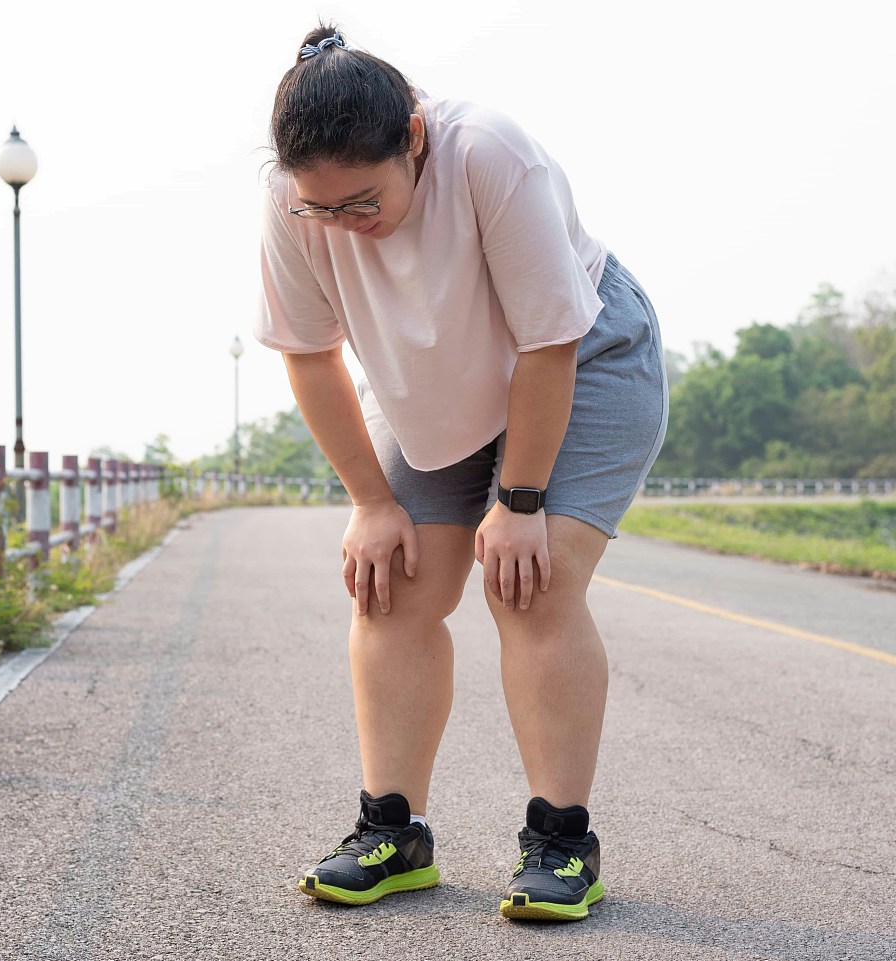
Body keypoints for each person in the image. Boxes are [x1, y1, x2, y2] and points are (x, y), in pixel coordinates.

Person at [255, 25, 668, 922]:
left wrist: (519, 502)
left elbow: (550, 342)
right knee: (389, 586)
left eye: (362, 201)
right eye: (324, 210)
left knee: (532, 583)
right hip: (438, 386)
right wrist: (370, 502)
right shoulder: (295, 203)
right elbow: (310, 355)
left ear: (413, 136)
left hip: (577, 358)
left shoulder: (487, 151)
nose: (346, 224)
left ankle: (563, 844)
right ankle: (392, 833)